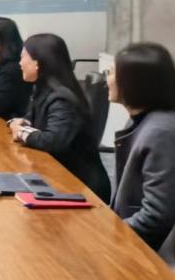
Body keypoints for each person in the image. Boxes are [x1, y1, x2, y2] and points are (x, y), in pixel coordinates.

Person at [107, 42, 175, 250]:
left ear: (133, 82)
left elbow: (155, 217)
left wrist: (107, 234)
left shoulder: (162, 133)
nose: (107, 80)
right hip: (128, 237)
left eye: (111, 73)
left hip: (146, 253)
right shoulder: (143, 122)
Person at [8, 35, 112, 202]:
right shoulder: (43, 89)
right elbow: (34, 119)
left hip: (79, 184)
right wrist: (22, 123)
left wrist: (21, 131)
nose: (20, 63)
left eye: (23, 58)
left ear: (38, 63)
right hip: (57, 173)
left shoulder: (62, 98)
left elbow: (52, 141)